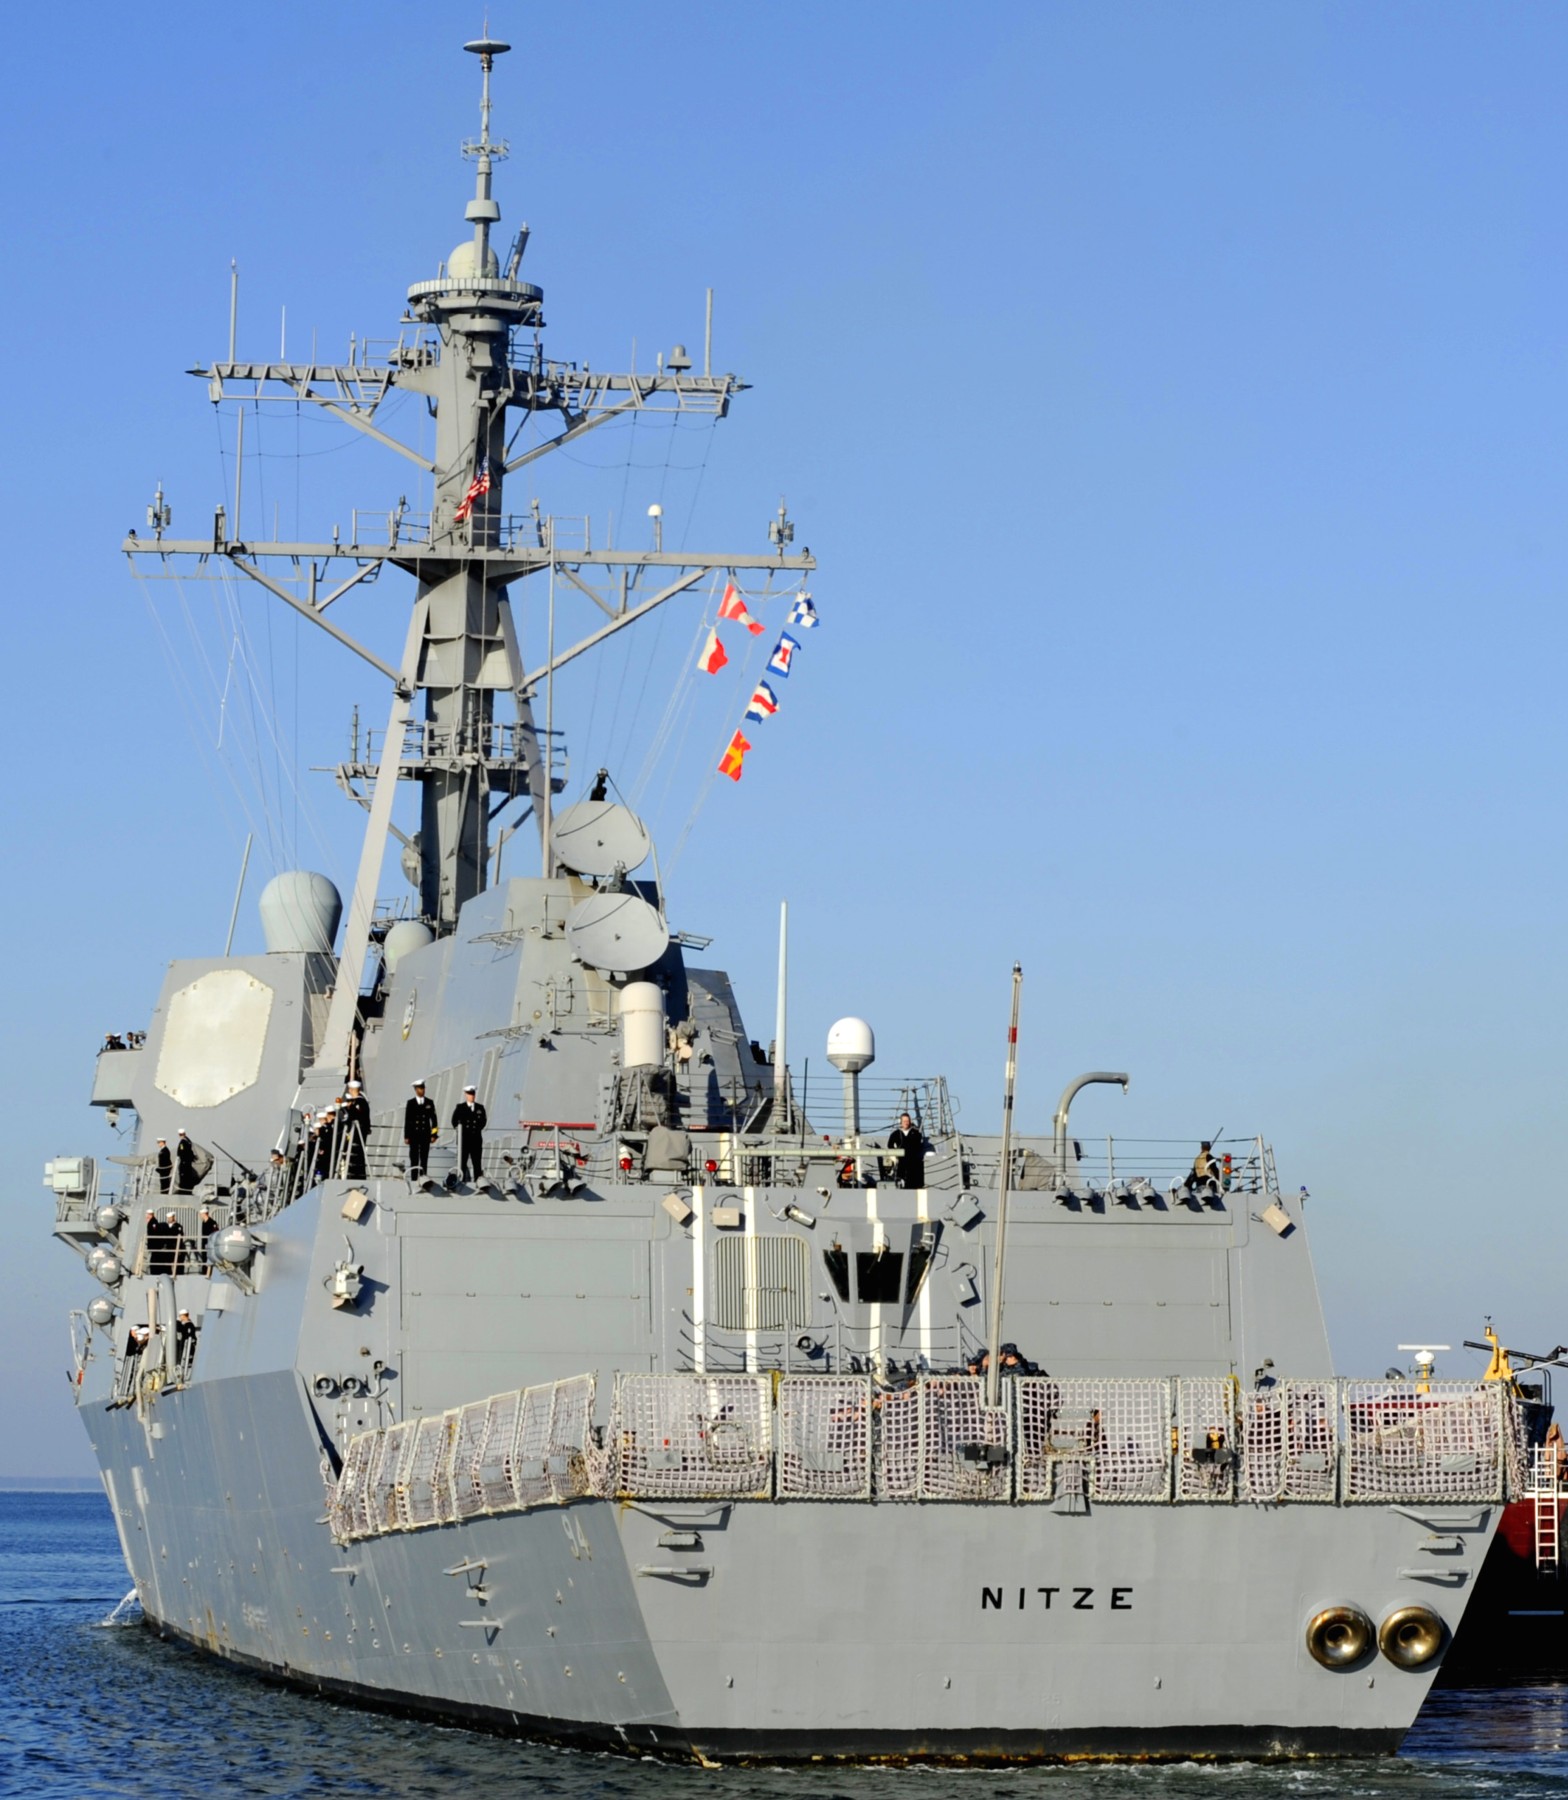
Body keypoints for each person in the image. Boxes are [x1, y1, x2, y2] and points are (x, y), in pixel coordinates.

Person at [451, 1084, 487, 1183]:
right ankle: (461, 1180)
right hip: (464, 1140)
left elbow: (483, 1121)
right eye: (470, 1094)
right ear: (466, 1095)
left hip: (476, 1139)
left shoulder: (480, 1108)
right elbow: (454, 1121)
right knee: (462, 1162)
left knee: (477, 1162)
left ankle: (478, 1181)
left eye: (473, 1094)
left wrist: (476, 1129)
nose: (472, 1096)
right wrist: (460, 1130)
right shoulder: (460, 1108)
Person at [886, 1113, 930, 1190]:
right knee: (901, 1180)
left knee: (913, 1182)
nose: (906, 1122)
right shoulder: (896, 1133)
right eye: (904, 1121)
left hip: (913, 1163)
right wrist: (896, 1153)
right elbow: (890, 1145)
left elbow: (918, 1146)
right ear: (901, 1122)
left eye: (907, 1121)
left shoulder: (915, 1133)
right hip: (901, 1162)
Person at [404, 1079, 438, 1179]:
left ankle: (423, 1177)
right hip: (414, 1135)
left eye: (423, 1088)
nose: (422, 1090)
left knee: (424, 1157)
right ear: (415, 1089)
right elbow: (407, 1120)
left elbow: (434, 1120)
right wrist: (406, 1136)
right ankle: (414, 1178)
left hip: (425, 1134)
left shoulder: (429, 1102)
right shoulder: (411, 1103)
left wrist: (434, 1134)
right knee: (414, 1157)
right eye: (420, 1088)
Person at [340, 1080, 371, 1180]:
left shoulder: (361, 1102)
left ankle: (358, 1176)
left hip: (358, 1134)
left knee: (357, 1156)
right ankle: (351, 1175)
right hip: (352, 1134)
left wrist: (351, 1108)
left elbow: (360, 1116)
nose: (349, 1090)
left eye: (350, 1089)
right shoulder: (354, 1102)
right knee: (351, 1156)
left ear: (353, 1090)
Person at [174, 1309, 199, 1375]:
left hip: (188, 1349)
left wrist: (178, 1322)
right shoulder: (187, 1325)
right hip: (185, 1348)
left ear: (184, 1316)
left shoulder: (189, 1325)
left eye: (180, 1316)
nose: (180, 1317)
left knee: (188, 1365)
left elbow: (186, 1334)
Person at [174, 1130, 200, 1195]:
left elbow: (181, 1152)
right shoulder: (189, 1141)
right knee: (188, 1178)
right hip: (188, 1163)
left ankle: (183, 1191)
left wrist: (183, 1159)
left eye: (180, 1135)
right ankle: (187, 1191)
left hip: (184, 1163)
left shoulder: (183, 1142)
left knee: (183, 1178)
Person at [163, 1210, 188, 1274]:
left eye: (170, 1217)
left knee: (178, 1263)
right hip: (169, 1248)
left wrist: (179, 1248)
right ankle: (169, 1274)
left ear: (173, 1217)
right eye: (168, 1218)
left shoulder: (178, 1226)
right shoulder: (166, 1226)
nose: (168, 1219)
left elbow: (180, 1237)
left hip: (175, 1247)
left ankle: (178, 1274)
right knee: (168, 1263)